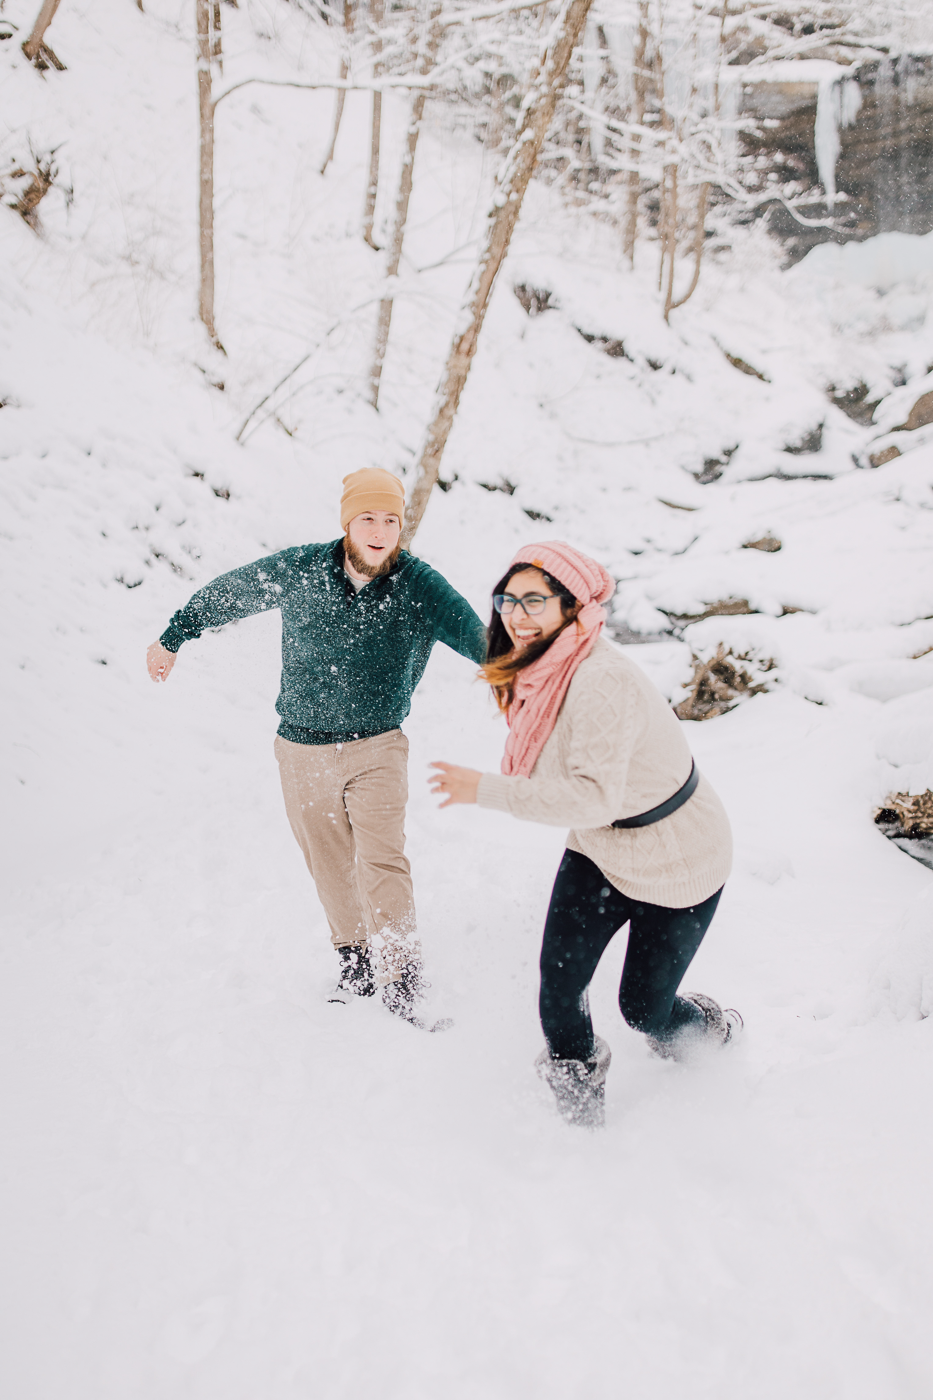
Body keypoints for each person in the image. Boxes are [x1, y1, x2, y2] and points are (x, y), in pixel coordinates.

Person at [147, 468, 487, 1028]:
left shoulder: (419, 584)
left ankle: (403, 979)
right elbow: (234, 592)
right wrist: (174, 635)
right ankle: (354, 964)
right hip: (300, 748)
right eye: (368, 518)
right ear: (348, 522)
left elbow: (479, 638)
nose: (380, 530)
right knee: (328, 862)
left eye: (391, 519)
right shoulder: (303, 568)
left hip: (377, 744)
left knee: (382, 859)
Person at [429, 541, 739, 1124]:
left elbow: (591, 796)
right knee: (559, 990)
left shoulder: (597, 678)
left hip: (679, 857)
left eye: (534, 600)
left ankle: (710, 1034)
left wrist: (484, 789)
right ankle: (580, 1120)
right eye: (507, 599)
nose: (516, 614)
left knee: (644, 1010)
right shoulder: (544, 666)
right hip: (600, 848)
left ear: (571, 607)